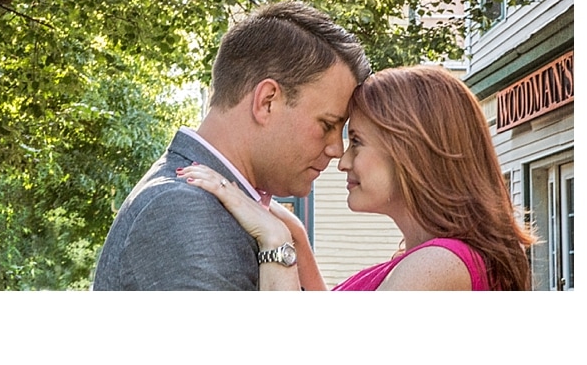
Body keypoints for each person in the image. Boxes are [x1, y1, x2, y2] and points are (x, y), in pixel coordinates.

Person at [91, 1, 371, 290]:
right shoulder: (184, 209)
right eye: (327, 125)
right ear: (267, 102)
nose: (337, 149)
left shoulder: (223, 205)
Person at [180, 65, 535, 290]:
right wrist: (297, 238)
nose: (342, 160)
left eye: (357, 142)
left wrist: (276, 244)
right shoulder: (431, 258)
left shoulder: (440, 266)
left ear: (410, 151)